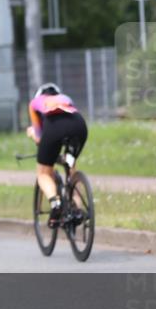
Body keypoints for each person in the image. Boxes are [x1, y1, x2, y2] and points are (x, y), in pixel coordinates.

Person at [26, 83, 88, 228]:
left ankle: (56, 203)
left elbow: (40, 138)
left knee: (43, 173)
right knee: (70, 164)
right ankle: (77, 209)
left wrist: (32, 133)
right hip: (79, 125)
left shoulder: (35, 103)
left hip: (54, 128)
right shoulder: (65, 98)